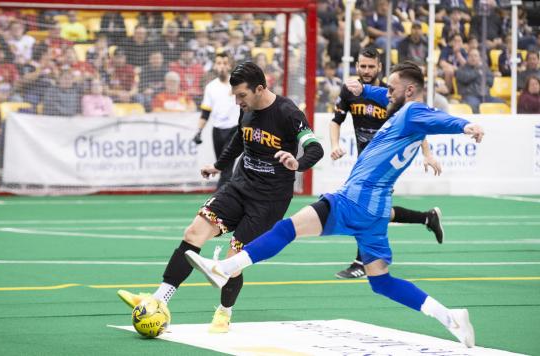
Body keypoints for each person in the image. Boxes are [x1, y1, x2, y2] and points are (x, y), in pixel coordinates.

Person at [186, 61, 484, 348]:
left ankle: (226, 267)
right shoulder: (399, 108)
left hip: (356, 198)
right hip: (377, 209)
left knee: (288, 228)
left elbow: (438, 119)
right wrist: (361, 89)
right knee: (380, 281)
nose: (385, 92)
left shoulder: (413, 112)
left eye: (391, 88)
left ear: (408, 91)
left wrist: (465, 125)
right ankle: (450, 317)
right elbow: (378, 93)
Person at [117, 61, 324, 334]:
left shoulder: (288, 113)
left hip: (269, 200)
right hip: (240, 185)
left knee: (233, 259)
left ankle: (224, 312)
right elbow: (239, 140)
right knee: (193, 233)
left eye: (242, 96)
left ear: (260, 89)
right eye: (235, 96)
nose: (238, 102)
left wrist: (297, 163)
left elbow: (315, 148)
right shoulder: (246, 110)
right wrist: (218, 165)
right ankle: (158, 299)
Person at [331, 47, 444, 279]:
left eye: (371, 66)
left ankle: (362, 262)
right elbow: (336, 121)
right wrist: (334, 144)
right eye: (362, 66)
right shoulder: (351, 90)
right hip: (365, 161)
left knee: (364, 207)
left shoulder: (391, 92)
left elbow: (415, 122)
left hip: (386, 163)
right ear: (356, 66)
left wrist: (427, 153)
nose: (366, 70)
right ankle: (426, 217)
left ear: (379, 67)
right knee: (377, 210)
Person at [192, 53, 239, 189]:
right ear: (214, 66)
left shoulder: (237, 84)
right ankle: (229, 198)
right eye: (219, 63)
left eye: (225, 63)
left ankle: (217, 201)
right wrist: (198, 131)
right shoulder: (211, 87)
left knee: (226, 166)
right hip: (217, 131)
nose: (222, 66)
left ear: (230, 66)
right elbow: (205, 113)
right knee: (221, 166)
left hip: (234, 130)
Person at [455, 48, 505, 114]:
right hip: (470, 96)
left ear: (479, 58)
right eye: (471, 56)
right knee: (474, 105)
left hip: (486, 96)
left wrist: (480, 74)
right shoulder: (461, 70)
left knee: (501, 103)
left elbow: (491, 82)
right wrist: (478, 73)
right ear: (467, 57)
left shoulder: (484, 69)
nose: (473, 58)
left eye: (475, 56)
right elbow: (466, 78)